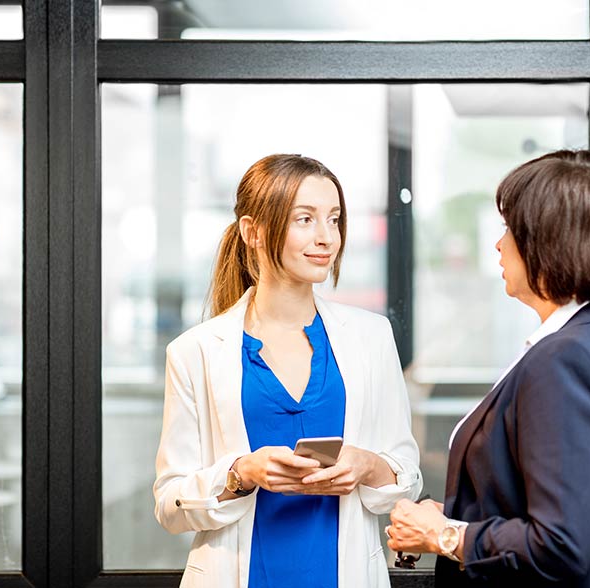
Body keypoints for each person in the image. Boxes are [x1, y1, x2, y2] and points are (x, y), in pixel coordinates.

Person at [387, 150, 590, 587]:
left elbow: (560, 543)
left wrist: (445, 535)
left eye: (510, 229)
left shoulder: (564, 360)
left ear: (547, 242)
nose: (499, 244)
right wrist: (464, 516)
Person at [153, 154, 423, 588]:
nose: (326, 238)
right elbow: (169, 504)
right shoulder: (195, 351)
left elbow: (406, 476)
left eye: (334, 220)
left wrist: (367, 465)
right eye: (305, 219)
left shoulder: (372, 338)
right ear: (253, 231)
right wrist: (242, 473)